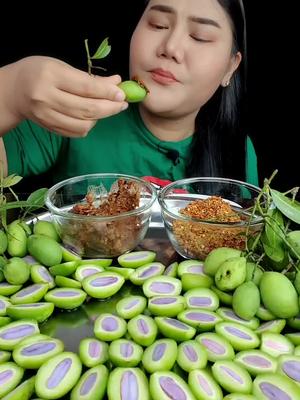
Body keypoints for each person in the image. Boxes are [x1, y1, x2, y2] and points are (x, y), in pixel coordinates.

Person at [0, 0, 258, 189]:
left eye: (200, 37)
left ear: (230, 67)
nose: (170, 47)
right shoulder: (74, 110)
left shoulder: (238, 151)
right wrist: (10, 93)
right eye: (158, 24)